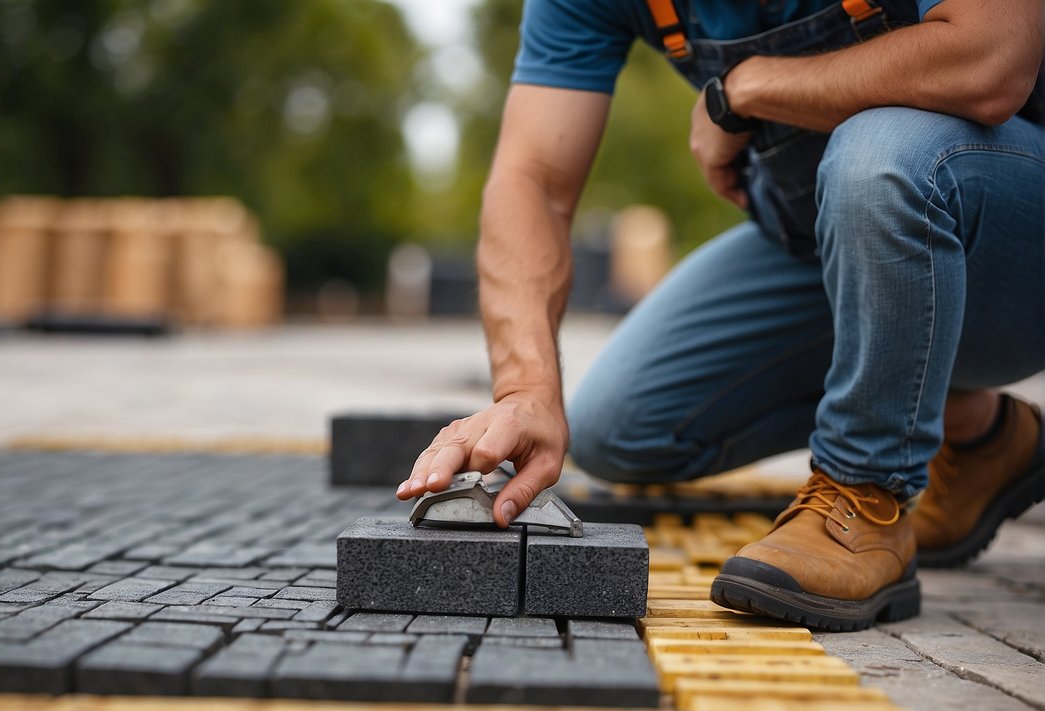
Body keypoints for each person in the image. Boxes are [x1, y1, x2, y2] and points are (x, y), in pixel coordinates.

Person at [397, 0, 1045, 632]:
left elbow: (987, 56)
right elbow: (530, 178)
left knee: (878, 153)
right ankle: (979, 437)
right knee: (616, 424)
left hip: (1004, 233)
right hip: (830, 241)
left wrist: (746, 88)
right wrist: (525, 390)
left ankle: (864, 488)